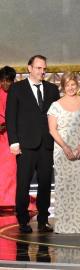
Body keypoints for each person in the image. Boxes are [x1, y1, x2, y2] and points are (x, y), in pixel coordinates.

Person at [5, 55, 60, 233]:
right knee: (23, 184)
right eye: (38, 68)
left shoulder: (52, 89)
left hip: (46, 144)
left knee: (45, 183)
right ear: (29, 68)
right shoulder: (17, 89)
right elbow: (10, 117)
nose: (42, 71)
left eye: (44, 68)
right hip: (26, 145)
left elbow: (57, 117)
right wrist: (13, 141)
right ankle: (22, 220)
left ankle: (43, 220)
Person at [47, 72, 80, 233]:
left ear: (77, 84)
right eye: (67, 85)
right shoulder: (55, 105)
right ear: (63, 86)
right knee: (64, 186)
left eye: (73, 84)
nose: (70, 87)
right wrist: (66, 147)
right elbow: (52, 130)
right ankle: (63, 225)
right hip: (62, 151)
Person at [0, 66, 17, 209]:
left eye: (8, 81)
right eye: (3, 81)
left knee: (11, 169)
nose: (5, 84)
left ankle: (10, 200)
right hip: (0, 138)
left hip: (12, 136)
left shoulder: (17, 92)